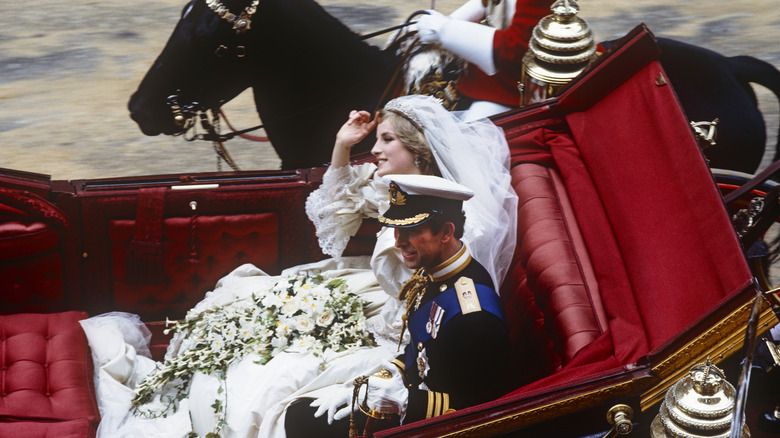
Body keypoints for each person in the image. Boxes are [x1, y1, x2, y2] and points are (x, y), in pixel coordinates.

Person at [80, 94, 518, 437]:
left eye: (388, 140)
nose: (377, 149)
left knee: (263, 387)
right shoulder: (407, 201)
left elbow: (461, 381)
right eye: (377, 137)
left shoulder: (462, 278)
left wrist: (401, 394)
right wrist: (341, 148)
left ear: (446, 233)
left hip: (390, 336)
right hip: (384, 315)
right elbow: (335, 225)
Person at [285, 175, 512, 437]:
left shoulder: (474, 316)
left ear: (446, 232)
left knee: (302, 421)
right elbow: (422, 350)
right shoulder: (435, 274)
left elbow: (481, 410)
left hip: (430, 424)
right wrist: (378, 381)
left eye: (412, 230)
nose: (399, 242)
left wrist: (404, 400)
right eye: (397, 229)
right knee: (302, 410)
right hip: (413, 395)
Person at [414, 0, 554, 120]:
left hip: (515, 86)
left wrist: (444, 29)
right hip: (484, 74)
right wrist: (450, 19)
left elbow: (516, 47)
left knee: (472, 137)